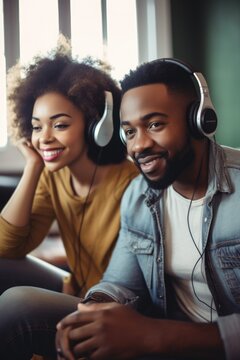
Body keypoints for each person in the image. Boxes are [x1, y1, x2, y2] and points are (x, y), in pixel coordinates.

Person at [55, 58, 240, 360]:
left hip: (197, 346)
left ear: (200, 121)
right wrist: (91, 311)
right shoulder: (138, 196)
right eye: (129, 132)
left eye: (154, 125)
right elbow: (120, 283)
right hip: (157, 344)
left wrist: (155, 336)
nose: (138, 146)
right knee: (21, 308)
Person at [0, 39, 138, 359]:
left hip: (112, 310)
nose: (44, 137)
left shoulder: (132, 186)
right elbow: (8, 247)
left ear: (96, 126)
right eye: (37, 127)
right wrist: (34, 166)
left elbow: (133, 289)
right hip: (74, 289)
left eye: (59, 125)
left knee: (14, 306)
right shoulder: (54, 176)